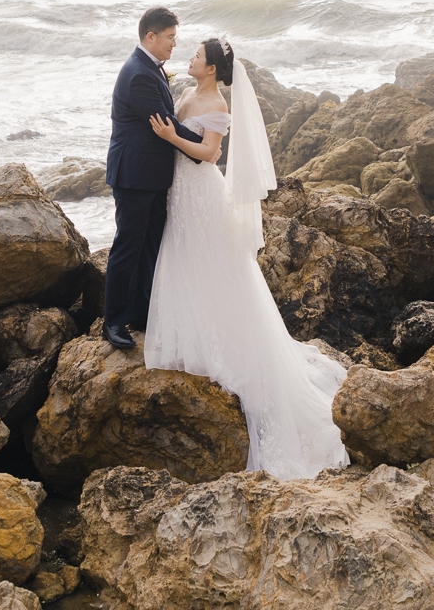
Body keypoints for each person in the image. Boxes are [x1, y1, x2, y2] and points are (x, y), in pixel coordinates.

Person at [145, 37, 351, 480]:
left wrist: (168, 136)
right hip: (178, 194)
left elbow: (209, 154)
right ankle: (190, 332)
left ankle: (224, 344)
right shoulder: (185, 93)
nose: (191, 58)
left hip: (200, 193)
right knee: (184, 261)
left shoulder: (217, 102)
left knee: (213, 267)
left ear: (213, 69)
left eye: (198, 56)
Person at [102, 7, 212, 350]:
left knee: (150, 246)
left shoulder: (149, 68)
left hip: (151, 175)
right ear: (151, 36)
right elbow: (166, 124)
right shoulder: (139, 74)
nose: (174, 45)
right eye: (171, 38)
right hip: (135, 175)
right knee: (128, 247)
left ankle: (141, 313)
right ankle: (114, 321)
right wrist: (206, 148)